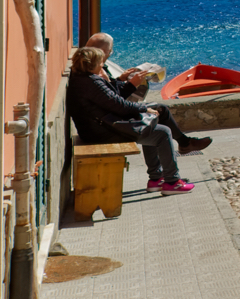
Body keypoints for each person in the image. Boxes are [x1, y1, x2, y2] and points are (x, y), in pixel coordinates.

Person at [67, 47, 198, 194]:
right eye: (101, 63)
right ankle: (172, 182)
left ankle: (156, 179)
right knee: (162, 132)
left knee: (153, 120)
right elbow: (119, 105)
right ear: (92, 65)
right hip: (102, 131)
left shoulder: (82, 79)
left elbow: (112, 100)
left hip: (97, 127)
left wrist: (125, 85)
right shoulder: (91, 83)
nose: (103, 66)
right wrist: (142, 109)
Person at [84, 32, 212, 155]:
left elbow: (108, 94)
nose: (111, 54)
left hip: (105, 119)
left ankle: (180, 148)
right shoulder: (96, 72)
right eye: (110, 51)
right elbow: (114, 101)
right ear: (105, 52)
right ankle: (178, 154)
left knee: (156, 115)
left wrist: (121, 79)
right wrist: (133, 86)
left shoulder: (91, 68)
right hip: (107, 124)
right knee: (157, 118)